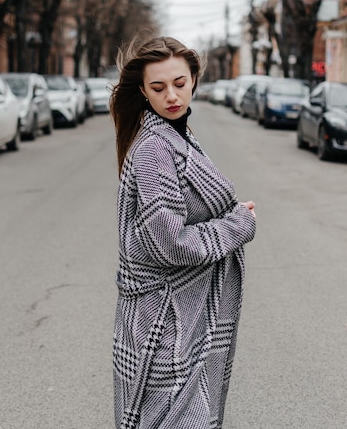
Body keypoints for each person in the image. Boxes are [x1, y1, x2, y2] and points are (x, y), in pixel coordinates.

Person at [110, 36, 256, 429]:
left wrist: (230, 215)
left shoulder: (176, 135)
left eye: (179, 82)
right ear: (142, 91)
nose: (171, 95)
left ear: (194, 80)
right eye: (158, 88)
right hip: (165, 319)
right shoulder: (155, 148)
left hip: (178, 312)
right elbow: (172, 243)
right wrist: (237, 223)